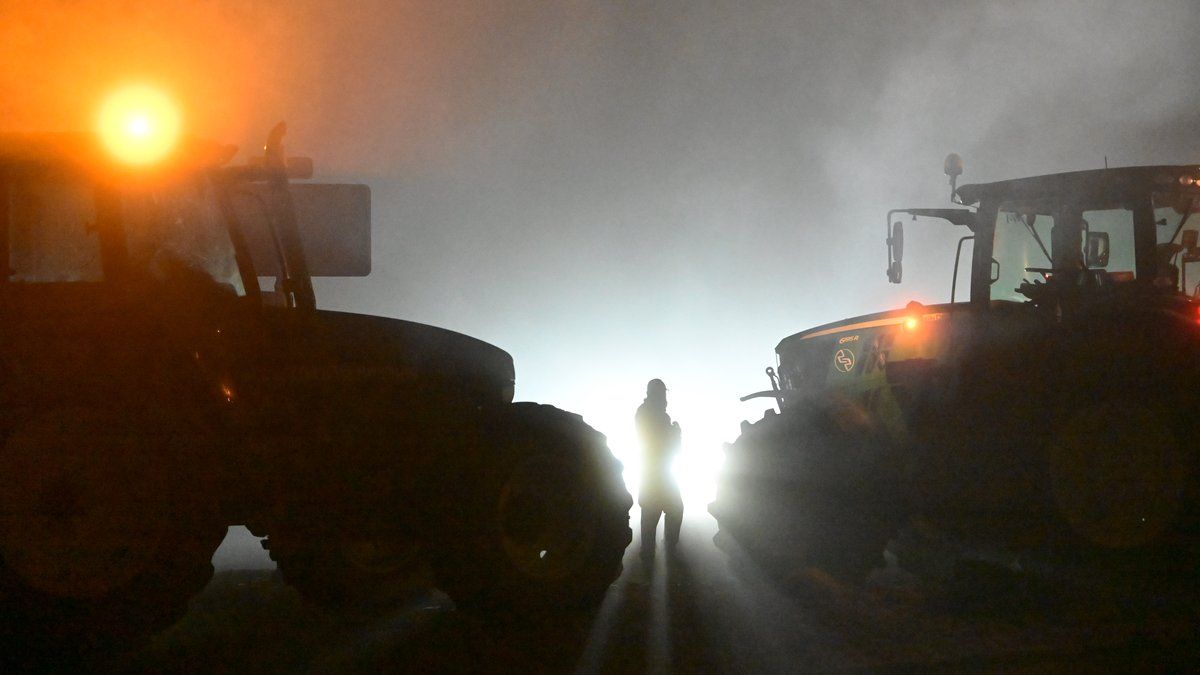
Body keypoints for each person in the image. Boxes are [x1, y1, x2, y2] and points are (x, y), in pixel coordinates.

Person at [636, 378, 682, 562]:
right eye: (662, 394)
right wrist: (675, 433)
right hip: (656, 473)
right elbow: (662, 443)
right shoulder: (649, 413)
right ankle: (660, 550)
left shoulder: (651, 413)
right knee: (658, 511)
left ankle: (654, 551)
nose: (665, 398)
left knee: (655, 512)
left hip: (656, 472)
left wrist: (674, 434)